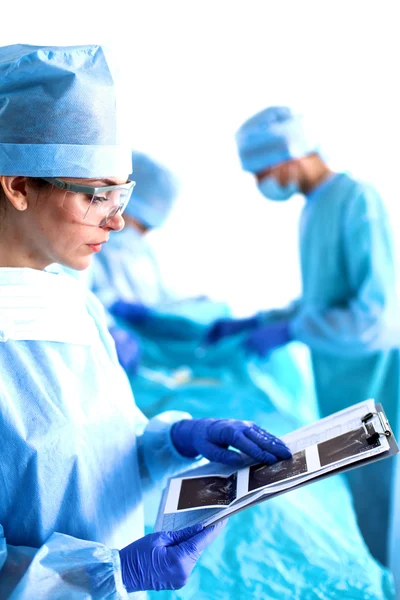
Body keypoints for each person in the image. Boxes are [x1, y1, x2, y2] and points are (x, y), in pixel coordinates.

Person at [0, 45, 292, 598]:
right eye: (96, 195)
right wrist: (112, 572)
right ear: (17, 185)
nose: (117, 219)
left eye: (123, 192)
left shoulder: (71, 301)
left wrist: (174, 441)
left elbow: (99, 449)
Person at [205, 105, 400, 568]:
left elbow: (376, 318)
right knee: (359, 504)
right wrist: (256, 322)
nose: (261, 184)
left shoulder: (357, 200)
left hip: (377, 380)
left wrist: (292, 330)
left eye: (262, 171)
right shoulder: (314, 209)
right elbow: (319, 300)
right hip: (343, 383)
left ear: (289, 153)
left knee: (380, 506)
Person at [88, 150, 178, 373]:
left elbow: (159, 297)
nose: (117, 224)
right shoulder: (84, 245)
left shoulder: (143, 251)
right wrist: (109, 324)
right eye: (140, 224)